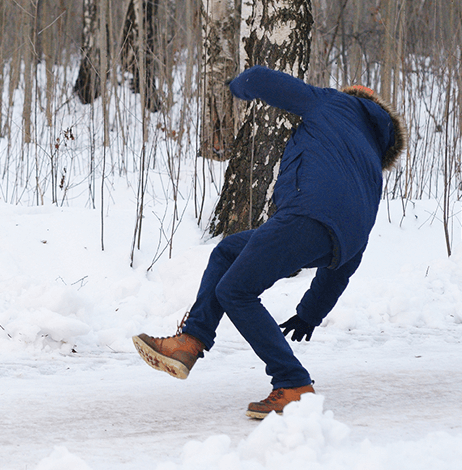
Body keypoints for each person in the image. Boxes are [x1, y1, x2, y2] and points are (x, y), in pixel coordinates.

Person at [132, 65, 405, 419]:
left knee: (235, 291)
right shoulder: (369, 163)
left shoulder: (335, 104)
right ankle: (190, 341)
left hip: (304, 216)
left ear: (357, 96)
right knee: (229, 251)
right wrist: (310, 313)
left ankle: (293, 383)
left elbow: (260, 81)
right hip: (333, 240)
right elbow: (348, 258)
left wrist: (237, 85)